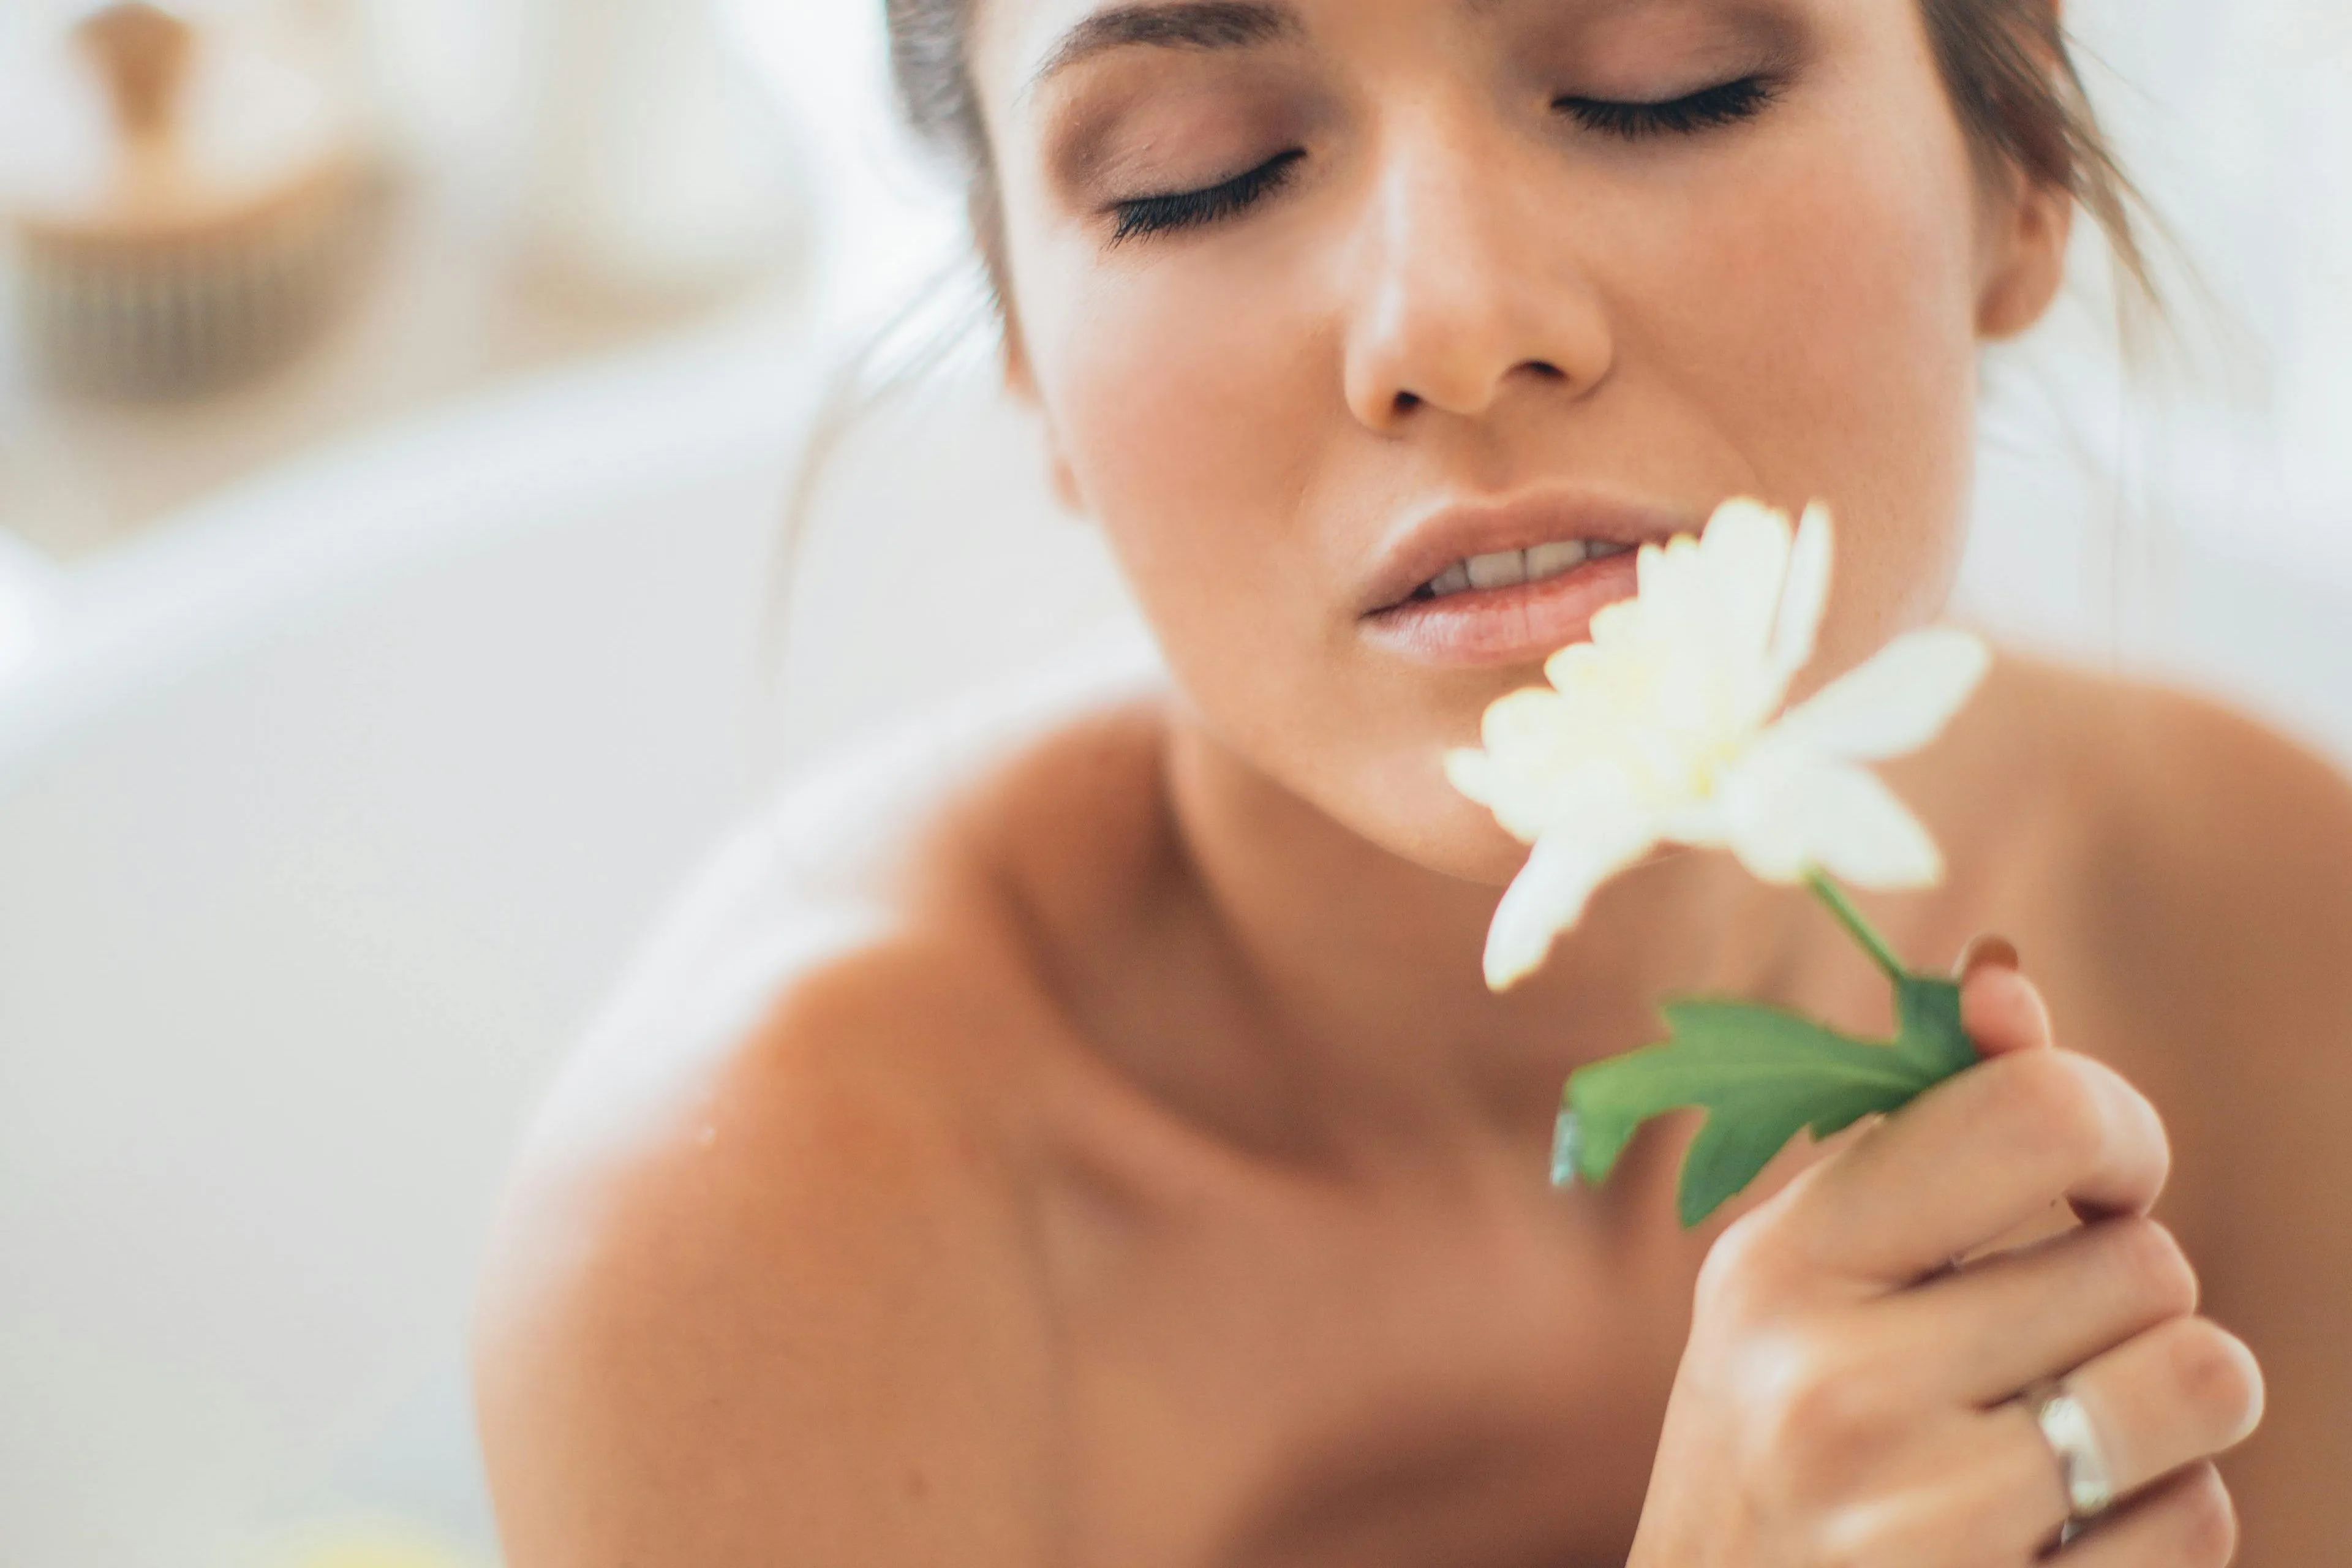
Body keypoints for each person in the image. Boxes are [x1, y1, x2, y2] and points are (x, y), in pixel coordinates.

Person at [473, 1, 2352, 1562]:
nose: (1449, 323)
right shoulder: (751, 1267)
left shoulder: (2285, 948)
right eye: (1197, 175)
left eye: (1664, 79)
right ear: (1025, 347)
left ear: (2014, 169)